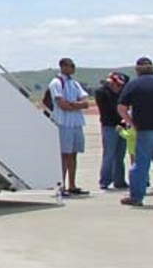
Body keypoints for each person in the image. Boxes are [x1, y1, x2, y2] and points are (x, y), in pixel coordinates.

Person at [48, 57, 94, 195]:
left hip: (76, 123)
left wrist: (75, 104)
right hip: (63, 123)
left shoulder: (74, 83)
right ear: (62, 66)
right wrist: (75, 105)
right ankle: (61, 185)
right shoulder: (56, 83)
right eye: (70, 65)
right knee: (64, 154)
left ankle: (72, 185)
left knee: (73, 154)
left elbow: (85, 102)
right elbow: (62, 104)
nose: (73, 68)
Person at [119, 57, 153, 207]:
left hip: (145, 129)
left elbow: (121, 108)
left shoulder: (133, 85)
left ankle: (136, 197)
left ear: (137, 70)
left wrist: (131, 123)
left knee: (141, 164)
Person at [93, 72, 130, 191]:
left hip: (122, 126)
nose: (119, 88)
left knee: (120, 155)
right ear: (110, 82)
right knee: (109, 154)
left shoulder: (122, 92)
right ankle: (105, 180)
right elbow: (111, 109)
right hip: (109, 126)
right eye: (117, 84)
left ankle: (119, 180)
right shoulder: (102, 92)